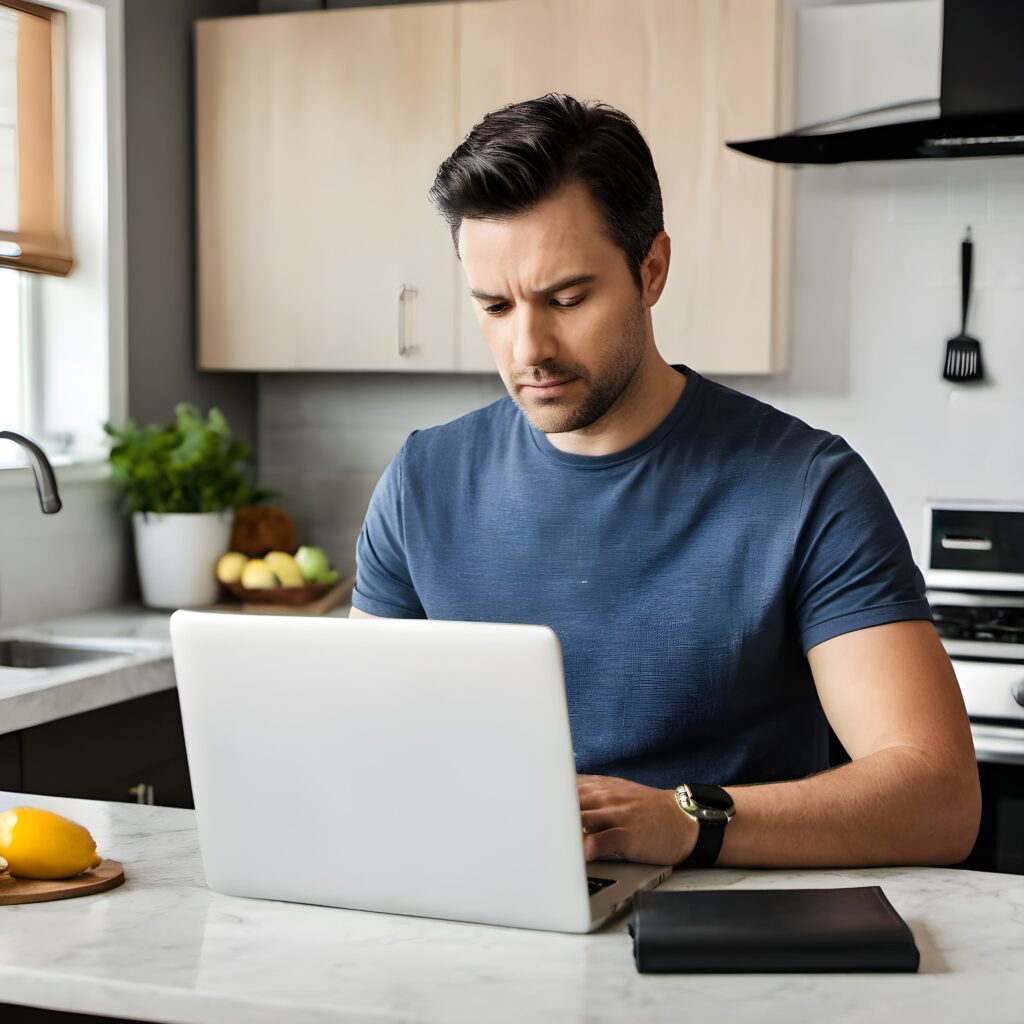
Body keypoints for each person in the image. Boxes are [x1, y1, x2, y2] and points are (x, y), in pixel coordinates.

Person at [349, 93, 980, 870]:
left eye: (567, 298)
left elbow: (939, 796)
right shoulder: (422, 483)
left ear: (651, 270)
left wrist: (687, 820)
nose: (528, 347)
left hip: (732, 943)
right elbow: (368, 749)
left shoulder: (811, 488)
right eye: (494, 305)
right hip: (487, 924)